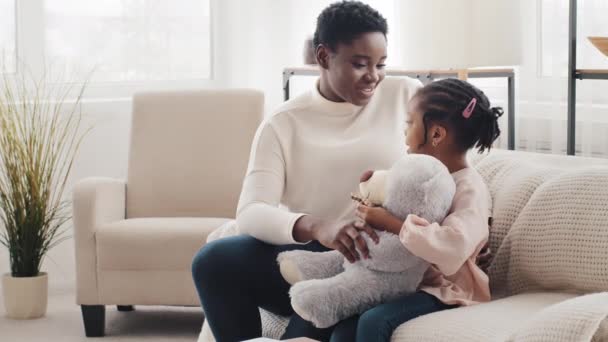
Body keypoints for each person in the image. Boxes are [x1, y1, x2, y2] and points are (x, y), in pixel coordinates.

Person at [191, 2, 423, 341]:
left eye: (381, 64)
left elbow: (449, 171)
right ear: (324, 57)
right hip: (312, 251)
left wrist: (468, 231)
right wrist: (317, 226)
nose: (373, 75)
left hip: (377, 259)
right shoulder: (283, 124)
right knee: (212, 260)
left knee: (314, 324)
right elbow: (251, 211)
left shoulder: (408, 95)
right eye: (360, 64)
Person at [341, 78, 503, 341]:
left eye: (409, 124)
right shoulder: (414, 174)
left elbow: (455, 245)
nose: (404, 132)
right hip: (406, 279)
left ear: (436, 134)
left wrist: (392, 223)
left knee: (373, 321)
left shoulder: (469, 187)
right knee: (343, 327)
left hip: (446, 290)